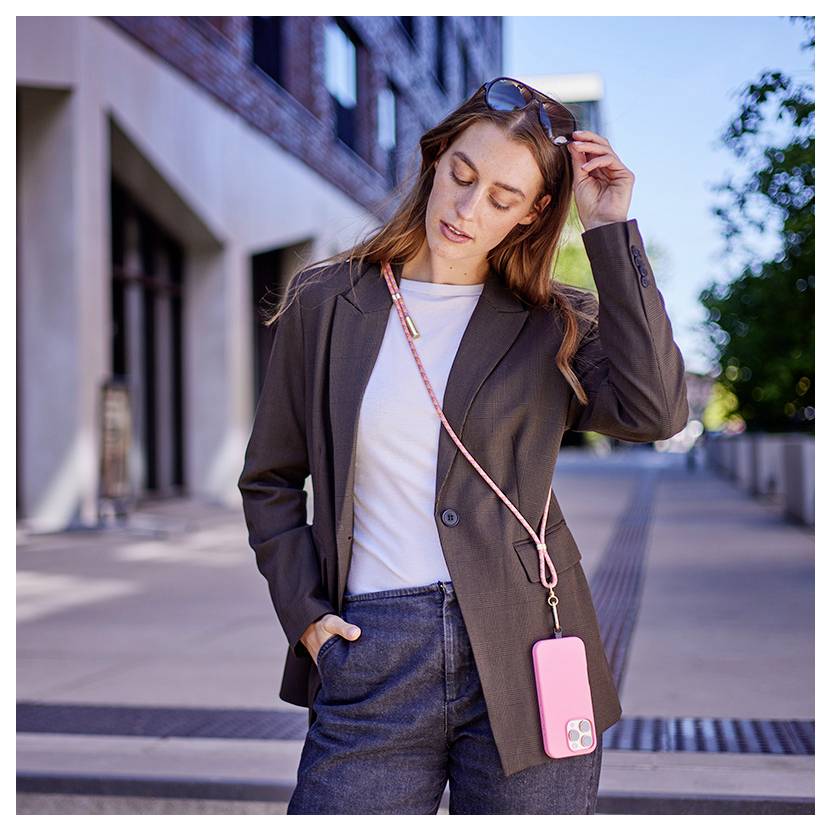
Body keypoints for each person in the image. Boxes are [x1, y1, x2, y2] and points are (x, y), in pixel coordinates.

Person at [238, 77, 689, 814]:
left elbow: (656, 410)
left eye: (503, 197)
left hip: (531, 647)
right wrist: (309, 620)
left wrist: (607, 230)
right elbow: (271, 478)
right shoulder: (327, 302)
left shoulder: (551, 321)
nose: (467, 208)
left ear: (536, 212)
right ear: (436, 156)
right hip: (374, 648)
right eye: (461, 174)